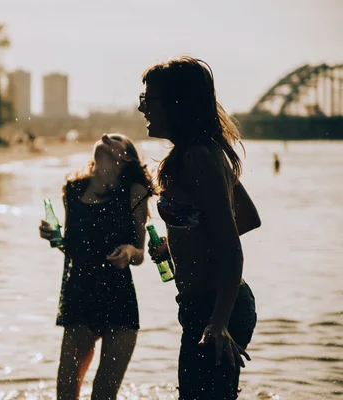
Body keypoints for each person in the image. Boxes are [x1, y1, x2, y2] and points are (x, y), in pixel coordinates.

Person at [139, 56, 261, 399]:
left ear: (177, 105)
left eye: (149, 101)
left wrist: (219, 323)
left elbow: (230, 247)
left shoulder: (198, 158)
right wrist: (179, 238)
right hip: (205, 306)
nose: (143, 109)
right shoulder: (204, 152)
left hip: (215, 308)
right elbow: (248, 217)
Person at [39, 133, 156, 400]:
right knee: (66, 395)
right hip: (79, 296)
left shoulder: (135, 192)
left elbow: (140, 253)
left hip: (119, 299)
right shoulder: (73, 188)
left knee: (104, 396)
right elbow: (71, 246)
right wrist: (53, 236)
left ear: (125, 158)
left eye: (114, 139)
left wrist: (128, 252)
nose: (105, 136)